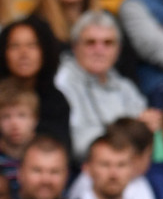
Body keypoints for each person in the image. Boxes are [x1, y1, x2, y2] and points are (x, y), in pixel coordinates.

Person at [55, 11, 157, 161]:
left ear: (118, 49)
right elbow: (78, 145)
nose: (99, 50)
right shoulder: (63, 83)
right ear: (75, 46)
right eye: (91, 43)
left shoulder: (123, 86)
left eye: (108, 43)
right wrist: (132, 132)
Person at [0, 16, 70, 153]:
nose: (24, 53)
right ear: (3, 53)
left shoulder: (56, 102)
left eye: (32, 45)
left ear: (45, 51)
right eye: (14, 46)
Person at [0, 80, 39, 178]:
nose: (14, 124)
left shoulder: (45, 157)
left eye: (22, 115)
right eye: (6, 116)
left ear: (35, 119)